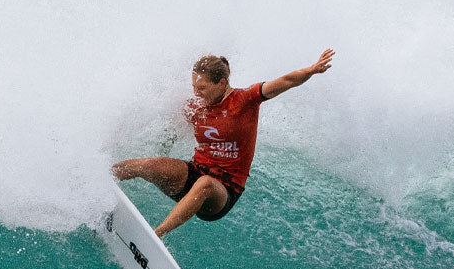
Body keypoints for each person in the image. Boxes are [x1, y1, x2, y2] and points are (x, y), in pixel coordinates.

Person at [112, 49, 335, 237]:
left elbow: (284, 82)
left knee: (205, 184)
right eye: (194, 87)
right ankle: (97, 179)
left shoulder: (245, 100)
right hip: (194, 173)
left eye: (202, 88)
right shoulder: (197, 106)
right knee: (147, 165)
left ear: (222, 82)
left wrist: (312, 70)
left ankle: (156, 235)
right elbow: (171, 133)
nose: (196, 93)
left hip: (222, 193)